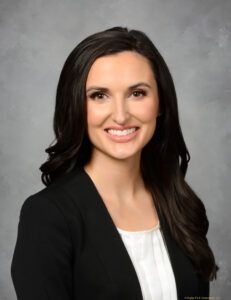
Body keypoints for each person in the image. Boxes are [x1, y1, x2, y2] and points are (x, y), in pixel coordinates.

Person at [11, 27, 218, 300]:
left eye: (137, 93)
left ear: (161, 103)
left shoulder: (183, 206)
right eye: (99, 95)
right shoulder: (48, 216)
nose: (120, 116)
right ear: (76, 106)